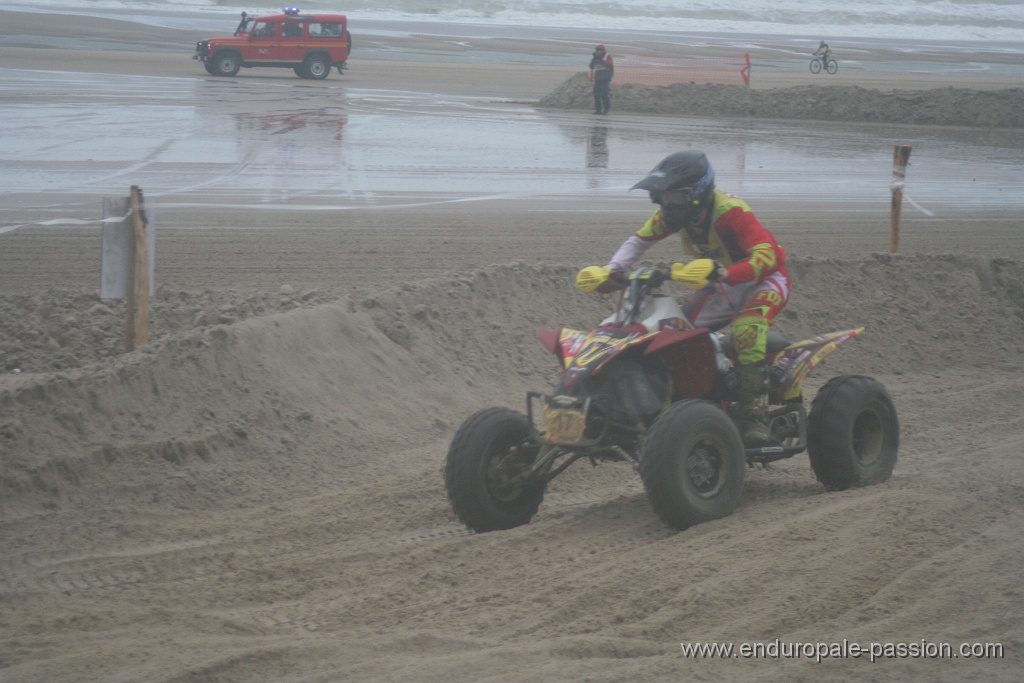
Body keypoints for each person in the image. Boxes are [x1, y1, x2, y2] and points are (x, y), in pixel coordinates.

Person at [583, 150, 790, 446]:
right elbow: (639, 240)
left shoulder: (730, 212)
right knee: (678, 334)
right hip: (722, 280)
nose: (669, 205)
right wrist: (612, 270)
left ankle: (754, 416)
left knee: (746, 329)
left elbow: (768, 256)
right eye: (664, 197)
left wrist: (723, 274)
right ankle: (693, 405)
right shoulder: (673, 215)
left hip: (765, 280)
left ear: (698, 192)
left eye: (676, 197)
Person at [588, 45, 614, 115]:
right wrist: (594, 58)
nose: (599, 51)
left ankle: (607, 109)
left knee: (604, 94)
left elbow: (609, 64)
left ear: (603, 50)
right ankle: (598, 110)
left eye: (600, 50)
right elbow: (591, 66)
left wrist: (601, 59)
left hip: (605, 78)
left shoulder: (608, 56)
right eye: (597, 50)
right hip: (598, 78)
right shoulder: (596, 57)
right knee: (596, 94)